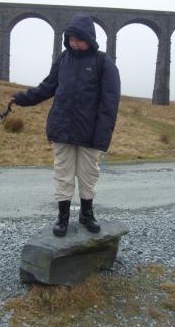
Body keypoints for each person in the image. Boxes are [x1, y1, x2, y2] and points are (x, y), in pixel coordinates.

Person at [11, 14, 121, 236]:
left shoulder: (103, 63)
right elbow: (47, 87)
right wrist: (22, 98)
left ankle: (86, 214)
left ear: (89, 38)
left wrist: (102, 137)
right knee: (63, 174)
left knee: (88, 174)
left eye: (78, 39)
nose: (74, 43)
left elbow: (109, 104)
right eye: (70, 39)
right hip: (61, 129)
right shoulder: (63, 60)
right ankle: (63, 217)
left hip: (89, 133)